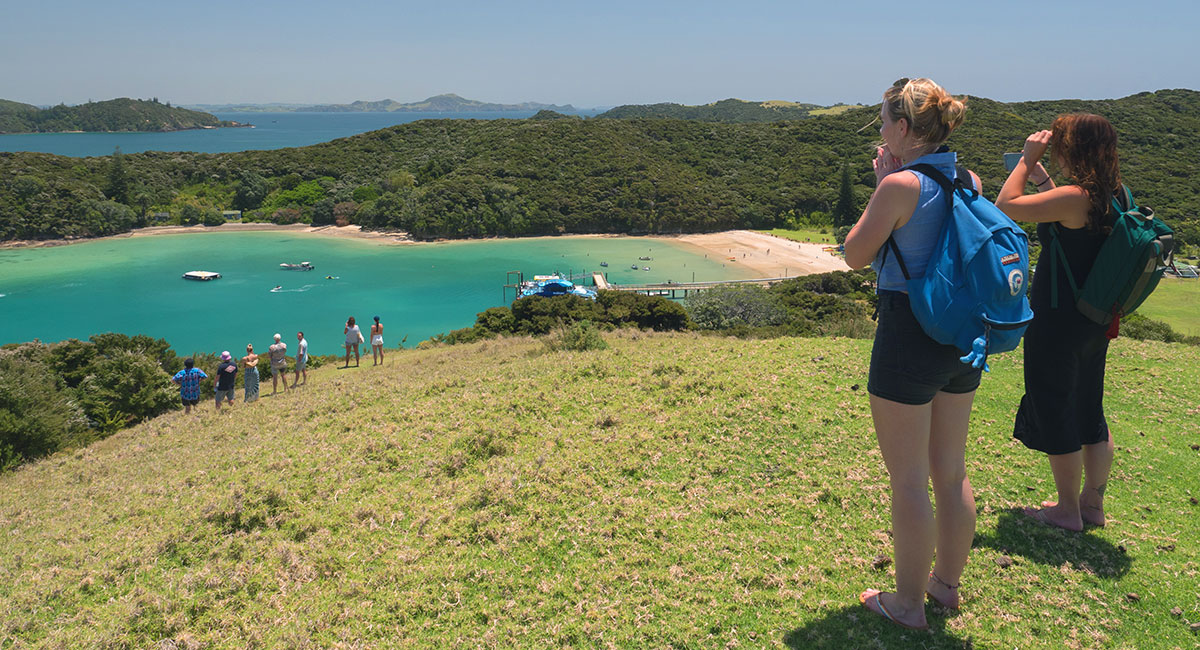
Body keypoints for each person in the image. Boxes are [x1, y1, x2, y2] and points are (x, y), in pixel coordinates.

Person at [842, 78, 981, 630]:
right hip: (962, 335)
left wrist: (882, 184)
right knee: (950, 472)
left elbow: (856, 255)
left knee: (907, 479)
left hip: (909, 333)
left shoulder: (898, 184)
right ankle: (945, 587)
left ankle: (906, 605)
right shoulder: (968, 178)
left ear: (903, 129)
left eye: (882, 121)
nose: (879, 130)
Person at [995, 114, 1121, 532]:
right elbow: (1068, 226)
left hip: (1057, 320)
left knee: (1054, 405)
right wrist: (1045, 182)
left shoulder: (1076, 196)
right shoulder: (1116, 194)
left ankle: (1067, 510)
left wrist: (1026, 162)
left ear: (1074, 148)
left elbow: (1005, 206)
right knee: (1089, 407)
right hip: (1094, 320)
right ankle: (1092, 504)